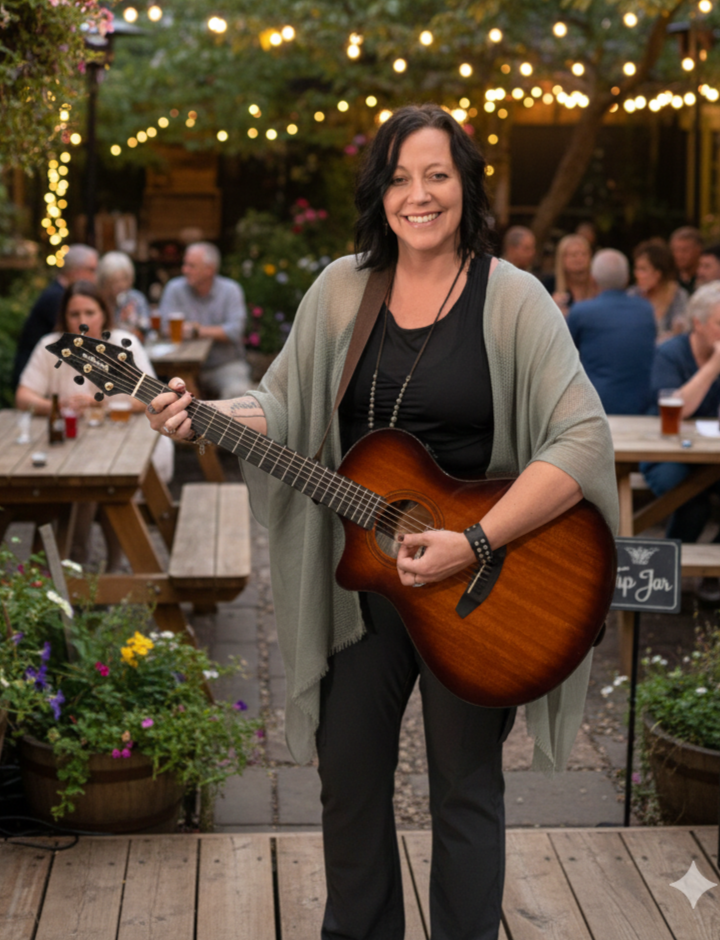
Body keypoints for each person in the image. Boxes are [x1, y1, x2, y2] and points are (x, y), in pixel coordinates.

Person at [145, 104, 618, 940]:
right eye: (400, 177)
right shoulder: (343, 288)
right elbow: (282, 403)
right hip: (364, 577)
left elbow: (582, 436)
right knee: (348, 773)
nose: (419, 194)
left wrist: (472, 541)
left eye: (437, 174)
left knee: (463, 786)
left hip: (481, 582)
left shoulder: (513, 300)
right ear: (381, 191)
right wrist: (206, 412)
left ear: (465, 186)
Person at [642, 282, 720, 601]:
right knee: (692, 502)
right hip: (664, 455)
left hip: (711, 457)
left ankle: (711, 576)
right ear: (698, 324)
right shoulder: (671, 353)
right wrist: (714, 367)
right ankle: (660, 580)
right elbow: (678, 406)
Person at [567, 249, 656, 414]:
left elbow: (563, 356)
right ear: (627, 278)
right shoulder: (646, 309)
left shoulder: (581, 312)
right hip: (641, 405)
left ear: (593, 280)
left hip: (596, 406)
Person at [158, 241, 249, 399]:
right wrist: (215, 331)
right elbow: (164, 327)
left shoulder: (231, 290)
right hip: (181, 367)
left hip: (224, 365)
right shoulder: (175, 288)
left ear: (209, 270)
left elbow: (235, 331)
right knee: (170, 399)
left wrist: (195, 331)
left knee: (238, 392)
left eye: (191, 266)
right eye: (185, 264)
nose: (184, 270)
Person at [12, 244, 98, 389]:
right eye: (91, 270)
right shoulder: (57, 297)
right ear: (75, 270)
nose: (95, 277)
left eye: (89, 313)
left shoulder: (59, 292)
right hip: (37, 373)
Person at [629, 239, 689, 341]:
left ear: (658, 273)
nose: (637, 274)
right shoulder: (632, 294)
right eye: (636, 268)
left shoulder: (678, 296)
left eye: (643, 269)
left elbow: (680, 333)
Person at [97, 250, 150, 336]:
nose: (120, 285)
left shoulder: (136, 298)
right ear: (104, 281)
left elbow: (145, 332)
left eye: (124, 279)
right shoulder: (97, 301)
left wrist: (131, 322)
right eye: (114, 281)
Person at [541, 233, 594, 316]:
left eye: (584, 254)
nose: (579, 259)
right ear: (562, 258)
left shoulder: (599, 284)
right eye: (574, 255)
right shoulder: (549, 285)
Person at [670, 225, 703, 295]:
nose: (679, 255)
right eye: (675, 250)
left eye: (685, 250)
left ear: (698, 250)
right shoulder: (669, 280)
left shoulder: (706, 279)